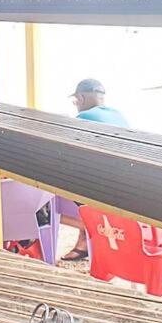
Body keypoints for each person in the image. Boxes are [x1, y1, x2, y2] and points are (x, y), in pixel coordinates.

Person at [61, 78, 128, 261]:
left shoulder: (84, 118)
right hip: (126, 187)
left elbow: (67, 153)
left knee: (46, 194)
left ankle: (87, 230)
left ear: (81, 98)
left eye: (75, 102)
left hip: (102, 190)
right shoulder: (119, 115)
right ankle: (84, 241)